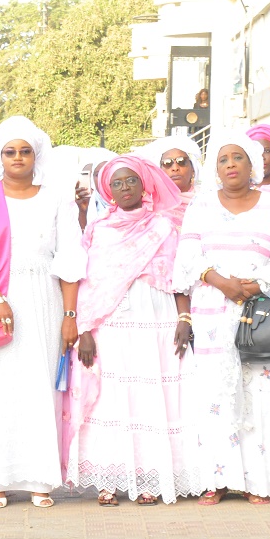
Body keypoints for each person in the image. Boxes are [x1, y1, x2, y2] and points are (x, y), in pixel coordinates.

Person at [0, 115, 85, 508]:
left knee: (38, 385)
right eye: (10, 151)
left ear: (36, 156)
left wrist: (69, 316)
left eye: (25, 151)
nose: (17, 157)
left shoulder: (56, 197)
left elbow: (70, 256)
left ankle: (38, 478)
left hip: (42, 299)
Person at [173, 130, 270, 505]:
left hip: (260, 313)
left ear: (252, 164)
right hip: (213, 314)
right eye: (223, 159)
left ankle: (257, 482)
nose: (231, 165)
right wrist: (219, 281)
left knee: (259, 394)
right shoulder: (200, 206)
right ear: (215, 168)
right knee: (214, 394)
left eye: (238, 158)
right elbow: (186, 258)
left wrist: (255, 284)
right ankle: (215, 480)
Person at [64, 155, 194, 505]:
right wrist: (85, 330)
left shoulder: (164, 227)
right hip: (111, 324)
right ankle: (109, 478)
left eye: (131, 181)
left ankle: (151, 478)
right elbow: (87, 283)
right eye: (117, 183)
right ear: (107, 190)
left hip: (156, 320)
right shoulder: (98, 230)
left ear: (145, 184)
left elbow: (177, 279)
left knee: (151, 397)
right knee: (112, 398)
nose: (124, 188)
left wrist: (184, 319)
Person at [139, 137, 202, 223]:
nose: (175, 168)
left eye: (182, 161)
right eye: (167, 163)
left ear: (193, 169)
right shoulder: (149, 205)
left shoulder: (207, 200)